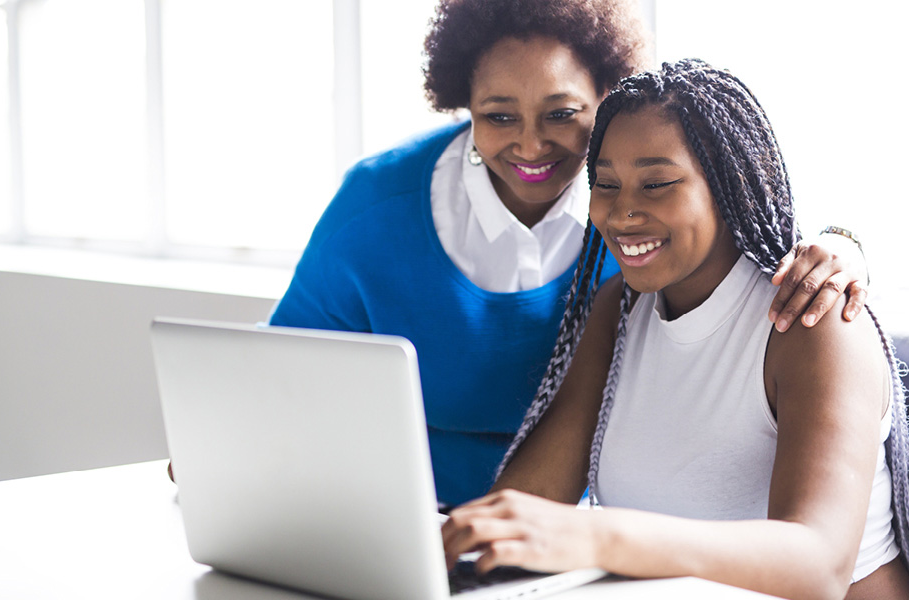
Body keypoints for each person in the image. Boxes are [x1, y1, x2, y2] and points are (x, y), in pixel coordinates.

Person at [266, 0, 872, 507]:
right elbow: (278, 383)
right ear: (464, 107)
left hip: (571, 540)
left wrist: (848, 245)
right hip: (402, 515)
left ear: (607, 98)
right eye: (498, 116)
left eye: (561, 114)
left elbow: (756, 211)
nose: (531, 144)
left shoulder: (638, 228)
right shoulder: (376, 206)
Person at [440, 60, 909, 600]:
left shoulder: (813, 322)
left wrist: (598, 535)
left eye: (656, 184)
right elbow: (530, 502)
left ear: (730, 187)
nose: (623, 212)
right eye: (605, 184)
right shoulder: (620, 311)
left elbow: (817, 567)